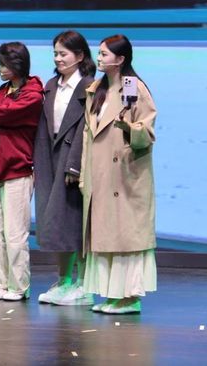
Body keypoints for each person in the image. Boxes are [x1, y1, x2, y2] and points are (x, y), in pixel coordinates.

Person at [80, 34, 157, 315]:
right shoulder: (97, 89)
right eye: (99, 53)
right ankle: (114, 295)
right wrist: (83, 174)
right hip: (100, 174)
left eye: (104, 54)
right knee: (106, 235)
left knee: (125, 236)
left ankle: (129, 297)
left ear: (120, 59)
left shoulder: (134, 87)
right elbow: (88, 135)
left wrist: (129, 128)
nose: (99, 58)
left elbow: (146, 132)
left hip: (126, 172)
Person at [34, 31, 96, 306]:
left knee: (75, 222)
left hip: (75, 161)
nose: (58, 59)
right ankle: (63, 280)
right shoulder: (51, 85)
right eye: (55, 54)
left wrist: (75, 164)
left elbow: (88, 130)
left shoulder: (90, 87)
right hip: (50, 158)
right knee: (54, 221)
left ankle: (83, 283)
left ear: (80, 56)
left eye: (63, 54)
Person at [0, 42, 43, 301]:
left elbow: (1, 113)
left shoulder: (33, 95)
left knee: (15, 233)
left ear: (17, 65)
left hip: (18, 169)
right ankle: (0, 283)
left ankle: (18, 286)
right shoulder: (1, 91)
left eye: (3, 64)